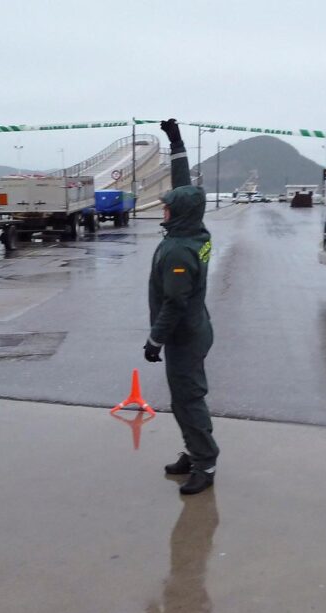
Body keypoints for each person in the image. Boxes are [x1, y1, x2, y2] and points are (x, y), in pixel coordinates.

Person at [144, 118, 221, 495]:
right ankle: (194, 450)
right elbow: (184, 190)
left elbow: (174, 303)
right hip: (196, 328)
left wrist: (155, 340)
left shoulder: (178, 250)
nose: (164, 212)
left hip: (184, 334)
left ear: (180, 213)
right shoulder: (194, 228)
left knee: (188, 400)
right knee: (184, 398)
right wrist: (176, 143)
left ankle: (205, 463)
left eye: (167, 209)